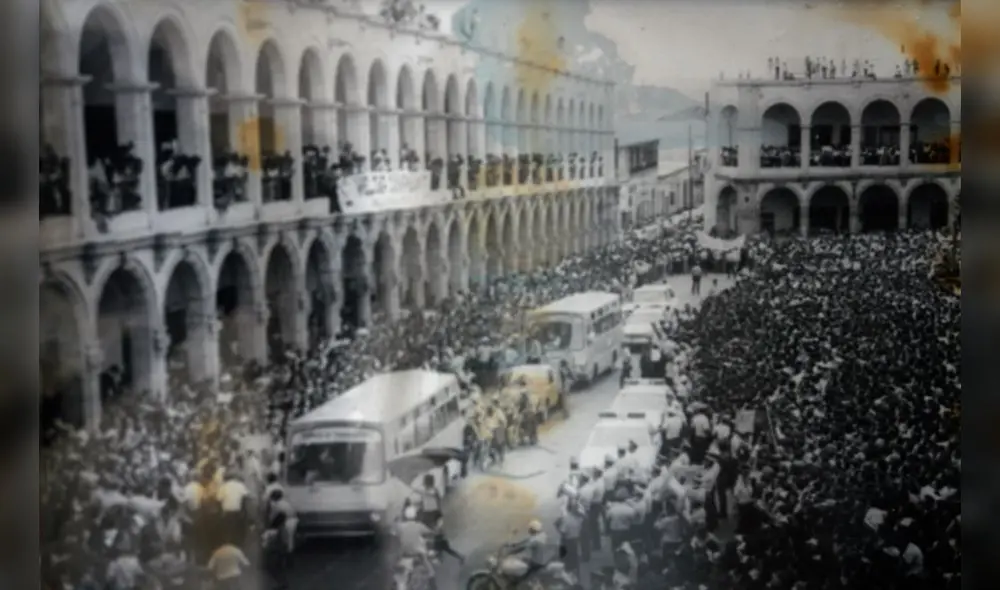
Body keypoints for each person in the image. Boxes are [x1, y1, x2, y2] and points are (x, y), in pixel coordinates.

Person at [395, 506, 436, 575]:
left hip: (404, 552)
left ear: (405, 515)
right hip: (418, 552)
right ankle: (433, 583)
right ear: (415, 515)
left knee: (397, 564)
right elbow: (431, 533)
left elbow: (395, 533)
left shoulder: (400, 526)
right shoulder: (419, 525)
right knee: (430, 570)